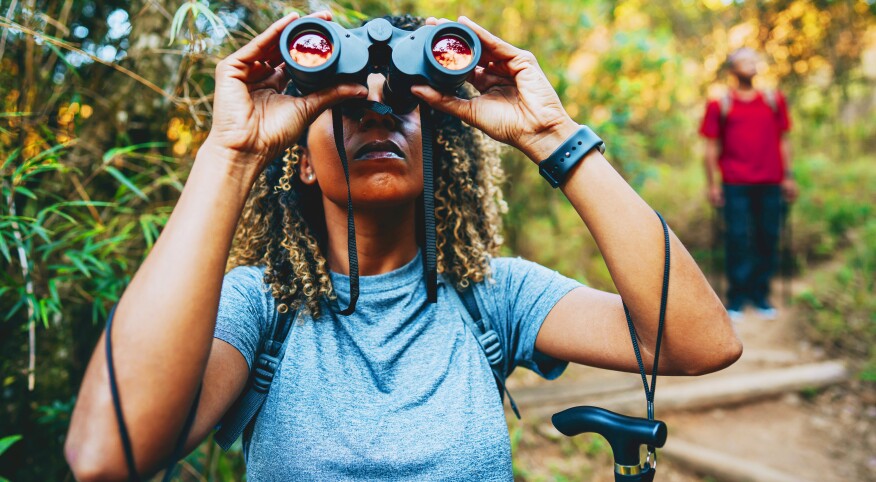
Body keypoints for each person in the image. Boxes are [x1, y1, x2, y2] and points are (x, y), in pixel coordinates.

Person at [65, 11, 742, 481]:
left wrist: (550, 134)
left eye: (404, 105)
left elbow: (698, 342)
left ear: (438, 152)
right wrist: (231, 153)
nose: (376, 110)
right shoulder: (262, 307)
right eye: (343, 101)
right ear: (300, 161)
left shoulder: (494, 297)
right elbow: (105, 454)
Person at [700, 47, 797, 322]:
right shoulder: (720, 105)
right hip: (734, 183)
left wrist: (788, 176)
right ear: (733, 69)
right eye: (745, 61)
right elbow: (710, 146)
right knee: (738, 238)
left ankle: (761, 295)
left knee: (768, 235)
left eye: (755, 61)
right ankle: (737, 298)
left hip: (771, 181)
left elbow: (784, 140)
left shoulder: (773, 100)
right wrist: (712, 184)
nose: (752, 65)